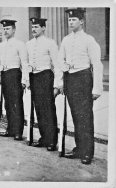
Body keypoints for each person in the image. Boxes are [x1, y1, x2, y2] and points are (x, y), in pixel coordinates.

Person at [58, 8, 103, 164]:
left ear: (81, 21)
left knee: (85, 117)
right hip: (70, 79)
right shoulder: (65, 40)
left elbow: (97, 64)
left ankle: (87, 153)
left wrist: (97, 88)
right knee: (76, 116)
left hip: (84, 79)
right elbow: (60, 61)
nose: (71, 22)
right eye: (69, 20)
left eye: (74, 20)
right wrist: (61, 82)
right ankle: (78, 149)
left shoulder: (89, 40)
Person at [26, 17, 63, 150]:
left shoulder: (50, 43)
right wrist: (27, 79)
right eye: (32, 27)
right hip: (34, 77)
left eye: (36, 27)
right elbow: (27, 64)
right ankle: (43, 138)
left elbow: (57, 64)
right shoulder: (29, 44)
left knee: (48, 109)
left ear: (43, 28)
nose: (33, 29)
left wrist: (58, 85)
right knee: (39, 109)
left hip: (46, 77)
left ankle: (52, 140)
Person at [0, 19, 28, 140]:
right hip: (5, 74)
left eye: (8, 29)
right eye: (4, 29)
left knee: (17, 104)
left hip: (15, 75)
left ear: (14, 30)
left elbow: (24, 63)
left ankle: (18, 131)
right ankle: (10, 128)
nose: (5, 31)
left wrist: (24, 80)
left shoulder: (20, 44)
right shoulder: (1, 46)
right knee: (8, 104)